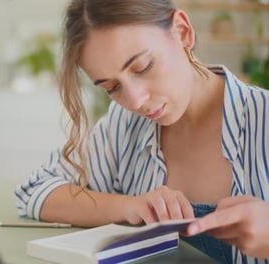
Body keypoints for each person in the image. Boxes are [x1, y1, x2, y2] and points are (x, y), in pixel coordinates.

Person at [13, 0, 269, 263]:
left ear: (182, 32)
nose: (135, 101)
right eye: (111, 87)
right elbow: (36, 191)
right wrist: (129, 206)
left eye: (143, 67)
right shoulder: (124, 125)